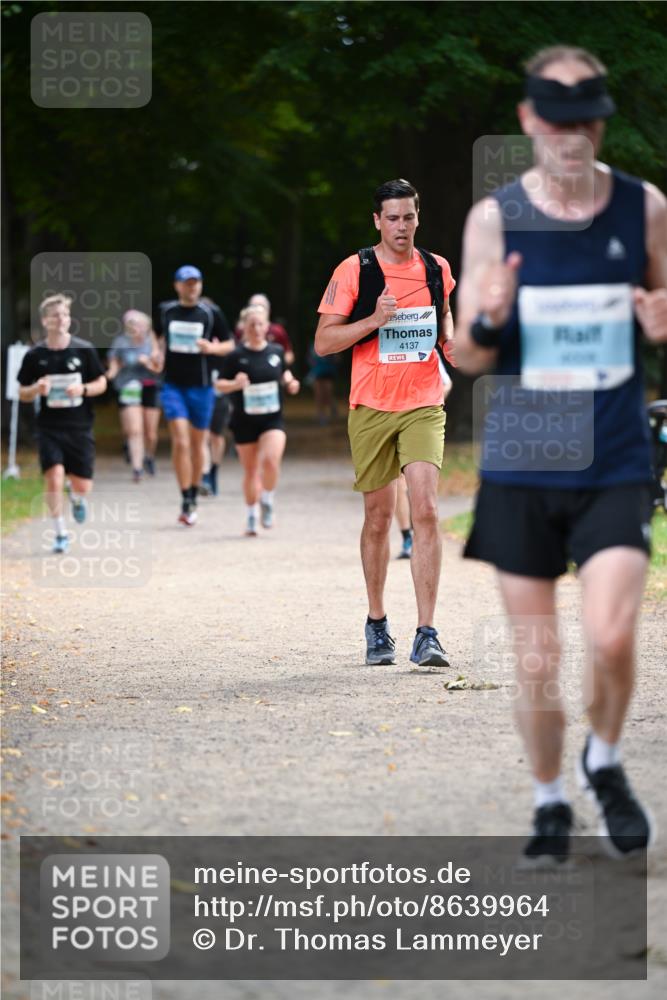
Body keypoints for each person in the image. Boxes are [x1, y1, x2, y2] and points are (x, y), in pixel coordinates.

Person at [454, 46, 667, 864]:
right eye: (556, 119)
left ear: (601, 122)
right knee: (537, 657)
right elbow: (465, 356)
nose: (572, 135)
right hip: (522, 463)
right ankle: (549, 800)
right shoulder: (493, 220)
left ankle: (601, 759)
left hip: (613, 458)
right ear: (527, 119)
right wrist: (486, 318)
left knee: (610, 636)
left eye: (587, 120)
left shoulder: (644, 208)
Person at [315, 178, 457, 668]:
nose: (401, 226)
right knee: (378, 517)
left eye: (408, 217)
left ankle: (427, 633)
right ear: (377, 221)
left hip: (423, 400)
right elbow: (324, 342)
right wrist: (374, 319)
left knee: (426, 509)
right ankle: (377, 621)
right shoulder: (355, 269)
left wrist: (449, 341)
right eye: (392, 218)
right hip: (371, 404)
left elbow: (443, 314)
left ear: (419, 217)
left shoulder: (436, 268)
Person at [17, 294, 107, 553]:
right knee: (54, 476)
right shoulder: (35, 355)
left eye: (65, 314)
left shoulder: (84, 349)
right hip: (49, 427)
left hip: (79, 426)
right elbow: (21, 392)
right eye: (55, 315)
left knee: (83, 486)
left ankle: (76, 496)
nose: (61, 319)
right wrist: (36, 389)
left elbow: (102, 383)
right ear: (45, 321)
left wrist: (83, 389)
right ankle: (60, 533)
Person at [154, 265, 233, 525]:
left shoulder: (210, 313)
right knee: (181, 441)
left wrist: (211, 348)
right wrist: (157, 353)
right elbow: (157, 337)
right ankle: (185, 494)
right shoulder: (166, 311)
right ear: (177, 286)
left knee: (199, 444)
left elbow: (229, 344)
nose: (192, 287)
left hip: (201, 386)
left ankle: (193, 493)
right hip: (173, 385)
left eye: (196, 282)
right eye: (187, 283)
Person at [216, 304, 300, 536]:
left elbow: (284, 373)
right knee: (251, 470)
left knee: (271, 461)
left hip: (272, 419)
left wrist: (291, 382)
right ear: (243, 327)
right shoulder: (235, 356)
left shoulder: (276, 351)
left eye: (260, 323)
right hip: (244, 421)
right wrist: (235, 384)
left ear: (267, 326)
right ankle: (252, 515)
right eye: (251, 324)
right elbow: (219, 384)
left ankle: (267, 499)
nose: (255, 328)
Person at [107, 309, 161, 482]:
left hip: (150, 386)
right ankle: (137, 469)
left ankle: (149, 457)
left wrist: (148, 363)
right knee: (135, 430)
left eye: (138, 324)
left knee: (150, 433)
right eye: (131, 324)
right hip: (128, 386)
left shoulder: (152, 343)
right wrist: (108, 376)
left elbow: (159, 368)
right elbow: (114, 364)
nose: (134, 327)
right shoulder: (121, 342)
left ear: (146, 326)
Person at [235, 293, 295, 366]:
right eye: (254, 307)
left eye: (261, 307)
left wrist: (272, 363)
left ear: (268, 310)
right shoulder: (241, 330)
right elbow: (234, 354)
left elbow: (288, 354)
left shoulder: (277, 331)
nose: (257, 329)